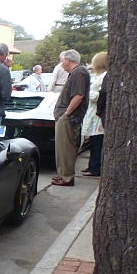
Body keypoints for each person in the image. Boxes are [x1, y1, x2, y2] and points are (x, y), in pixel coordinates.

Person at [52, 49, 90, 187]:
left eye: (62, 61)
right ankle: (64, 174)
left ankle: (66, 177)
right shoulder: (77, 72)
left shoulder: (79, 72)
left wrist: (66, 114)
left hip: (69, 118)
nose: (62, 65)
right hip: (68, 116)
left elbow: (78, 95)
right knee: (63, 148)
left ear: (68, 60)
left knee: (66, 148)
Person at [81, 52, 107, 177]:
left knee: (97, 142)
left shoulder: (104, 76)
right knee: (93, 141)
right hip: (92, 112)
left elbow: (101, 95)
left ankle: (95, 168)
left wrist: (88, 94)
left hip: (98, 114)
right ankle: (92, 165)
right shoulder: (98, 75)